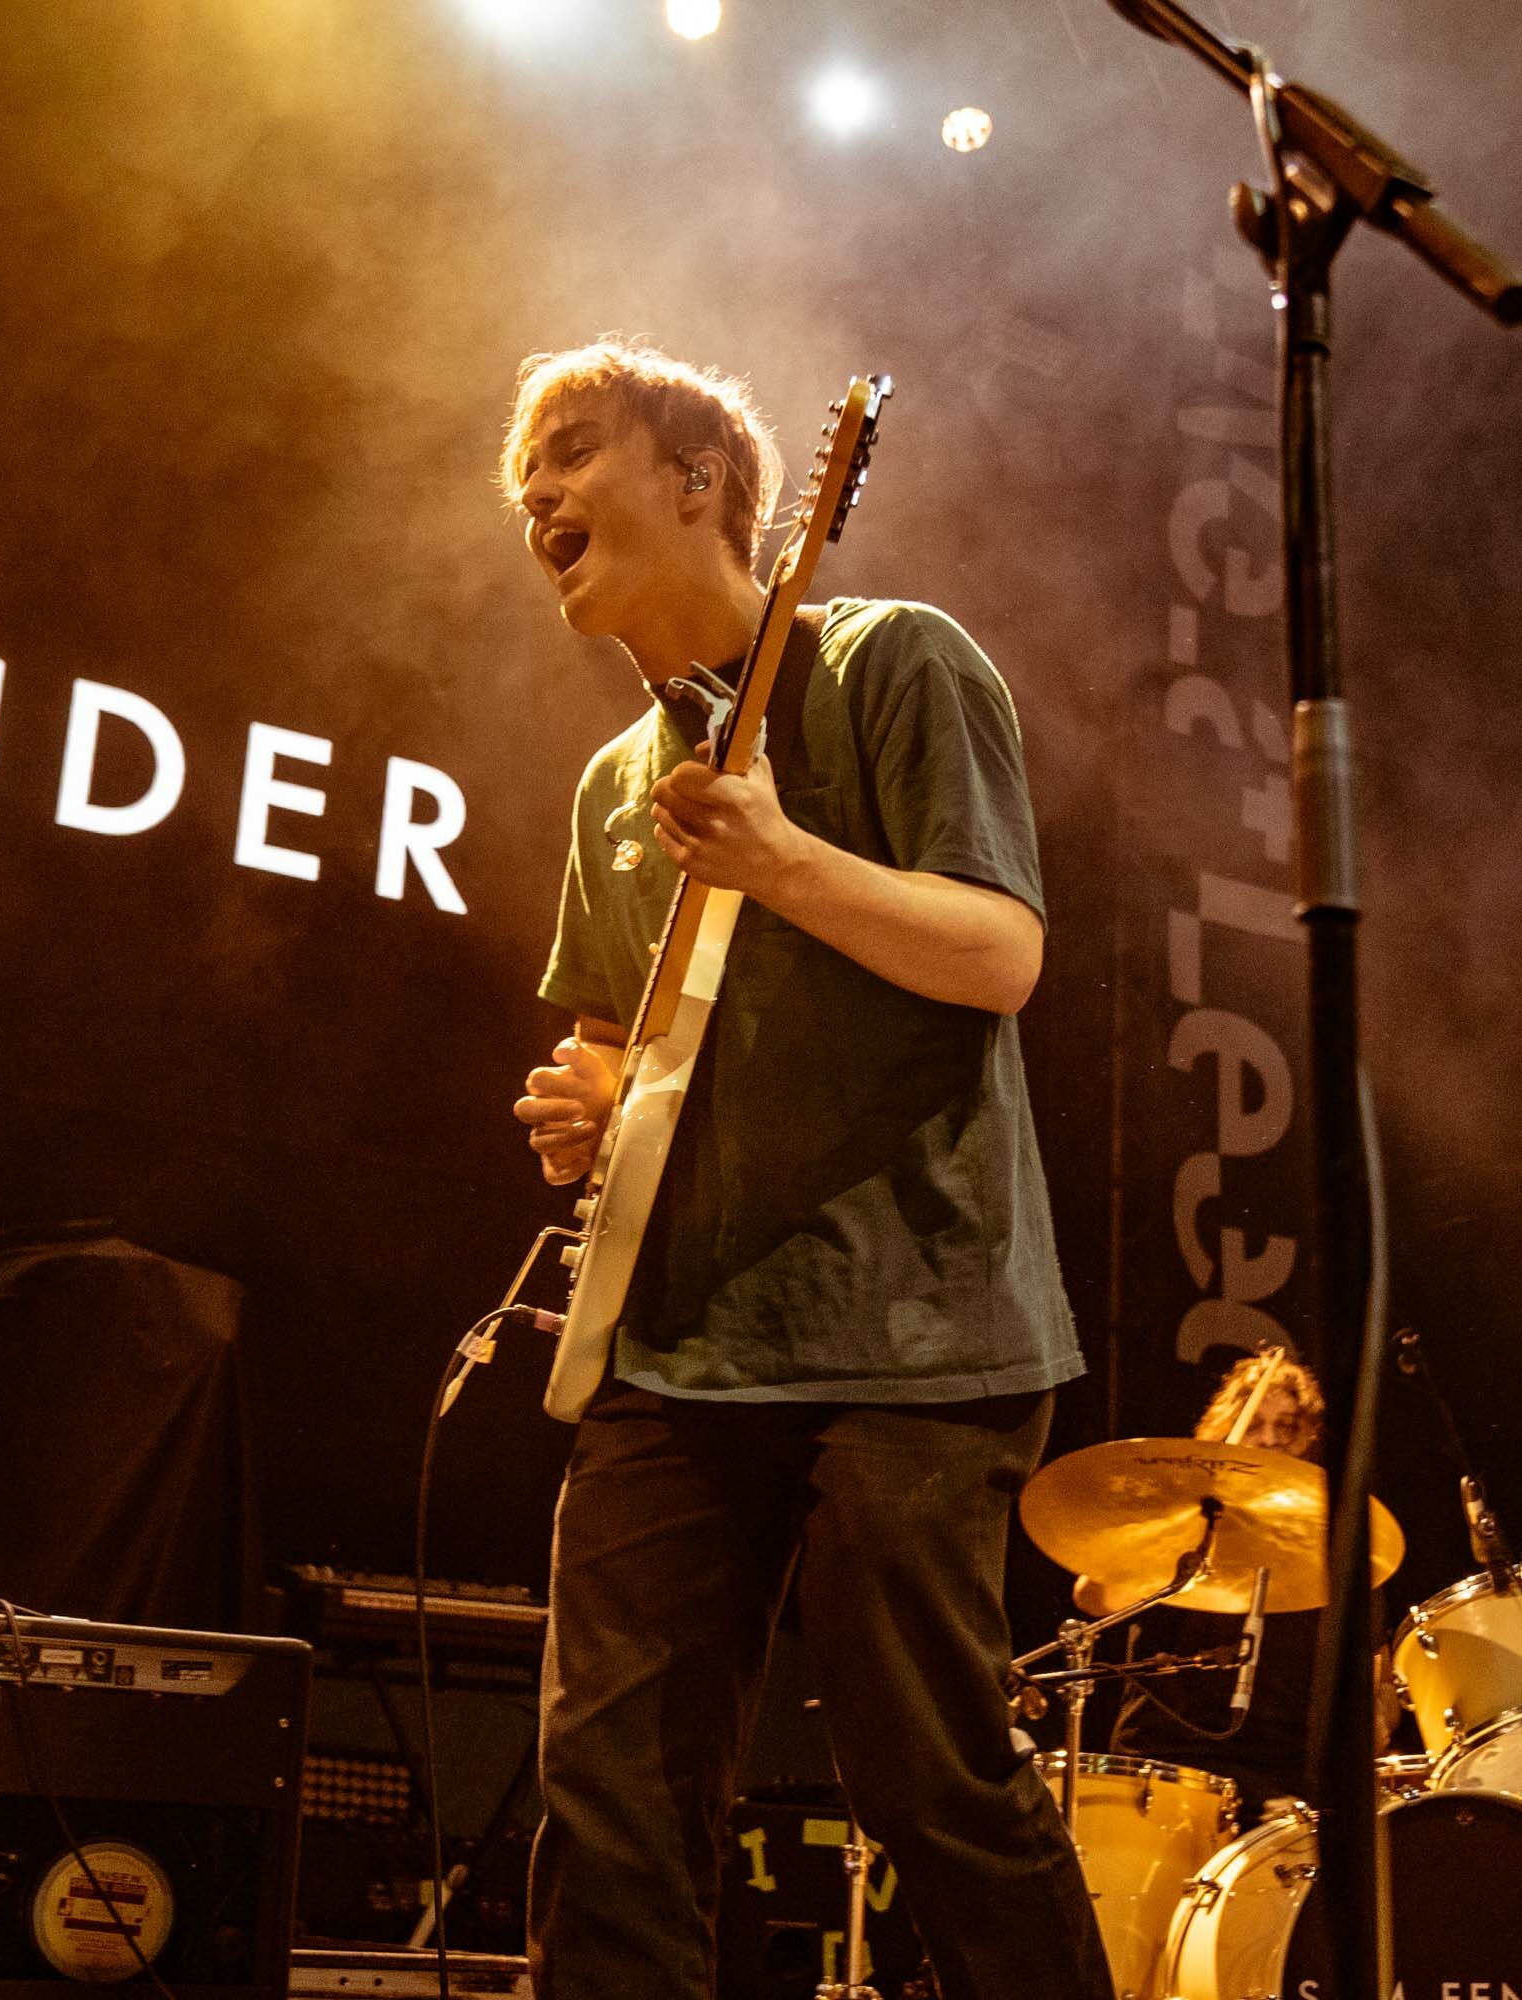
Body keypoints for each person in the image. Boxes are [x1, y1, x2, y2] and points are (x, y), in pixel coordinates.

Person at [499, 341, 1106, 2000]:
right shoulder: (611, 792)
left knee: (930, 1780)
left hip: (916, 1336)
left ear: (701, 483)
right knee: (609, 1802)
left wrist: (780, 859)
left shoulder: (894, 661)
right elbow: (647, 1052)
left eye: (568, 450)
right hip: (679, 1342)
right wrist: (589, 1102)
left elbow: (997, 957)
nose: (535, 494)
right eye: (520, 479)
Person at [1109, 1350, 1393, 1810]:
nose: (1270, 1440)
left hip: (1292, 1775)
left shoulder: (1334, 1544)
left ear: (1310, 1442)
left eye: (1287, 1427)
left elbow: (1380, 1669)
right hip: (1175, 1765)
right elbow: (1095, 1594)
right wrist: (1182, 1532)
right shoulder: (1186, 1519)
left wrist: (1378, 1710)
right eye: (1255, 1424)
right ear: (1226, 1432)